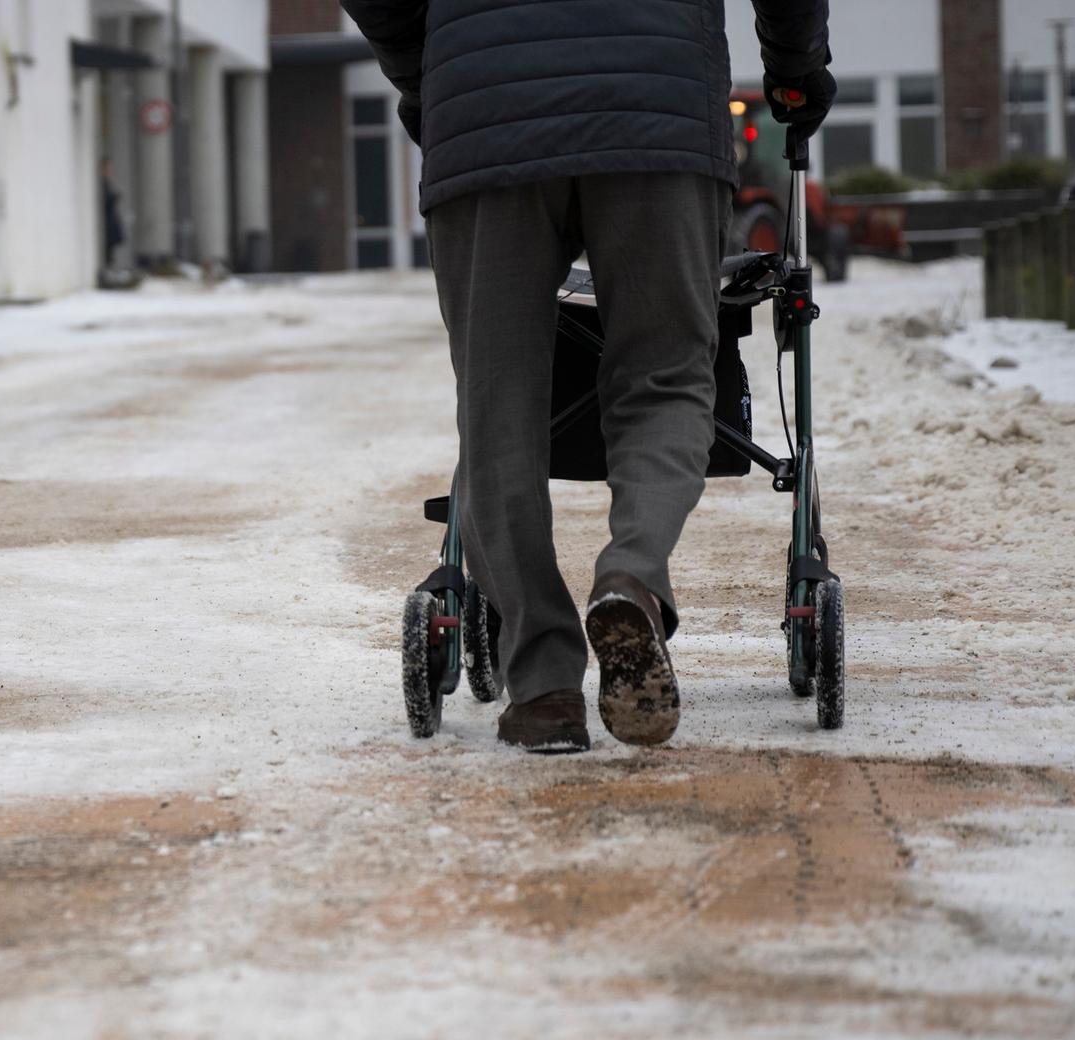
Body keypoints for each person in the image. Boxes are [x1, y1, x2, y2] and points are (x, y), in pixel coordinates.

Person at [343, 0, 835, 752]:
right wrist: (796, 68)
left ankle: (542, 687)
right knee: (666, 376)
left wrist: (429, 71)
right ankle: (630, 577)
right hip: (657, 106)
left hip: (485, 107)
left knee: (497, 406)